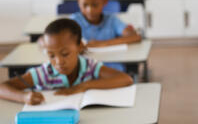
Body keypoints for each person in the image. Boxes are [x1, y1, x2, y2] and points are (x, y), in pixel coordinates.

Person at [0, 19, 133, 105]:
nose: (58, 62)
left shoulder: (89, 67)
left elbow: (125, 79)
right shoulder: (44, 73)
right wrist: (23, 97)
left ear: (79, 47)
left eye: (65, 54)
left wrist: (84, 86)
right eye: (51, 55)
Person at [69, 0, 141, 72]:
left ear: (105, 1)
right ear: (79, 2)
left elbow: (135, 37)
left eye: (95, 5)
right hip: (83, 68)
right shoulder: (74, 20)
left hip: (111, 66)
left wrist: (101, 44)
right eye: (85, 5)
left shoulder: (112, 20)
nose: (90, 10)